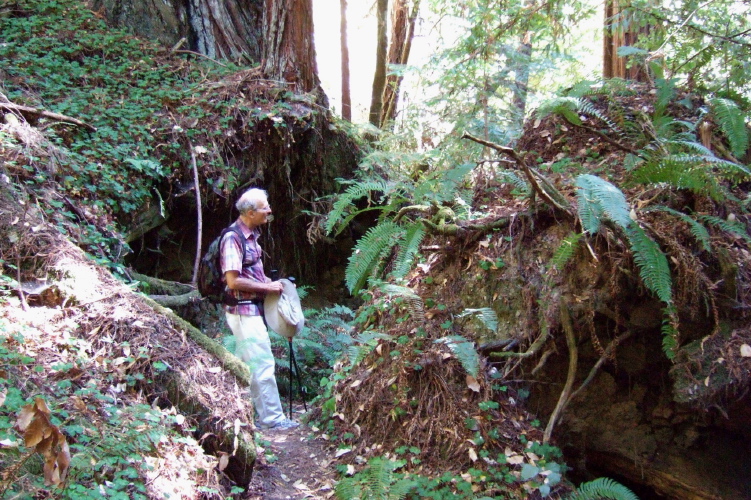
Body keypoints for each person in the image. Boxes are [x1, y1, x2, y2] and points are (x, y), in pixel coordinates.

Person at [220, 187, 299, 430]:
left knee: (251, 365)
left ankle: (252, 418)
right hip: (243, 312)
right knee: (263, 363)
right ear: (251, 212)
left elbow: (251, 272)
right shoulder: (233, 238)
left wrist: (270, 284)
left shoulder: (250, 236)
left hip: (251, 310)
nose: (269, 210)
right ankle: (273, 420)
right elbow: (232, 281)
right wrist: (268, 288)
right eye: (265, 207)